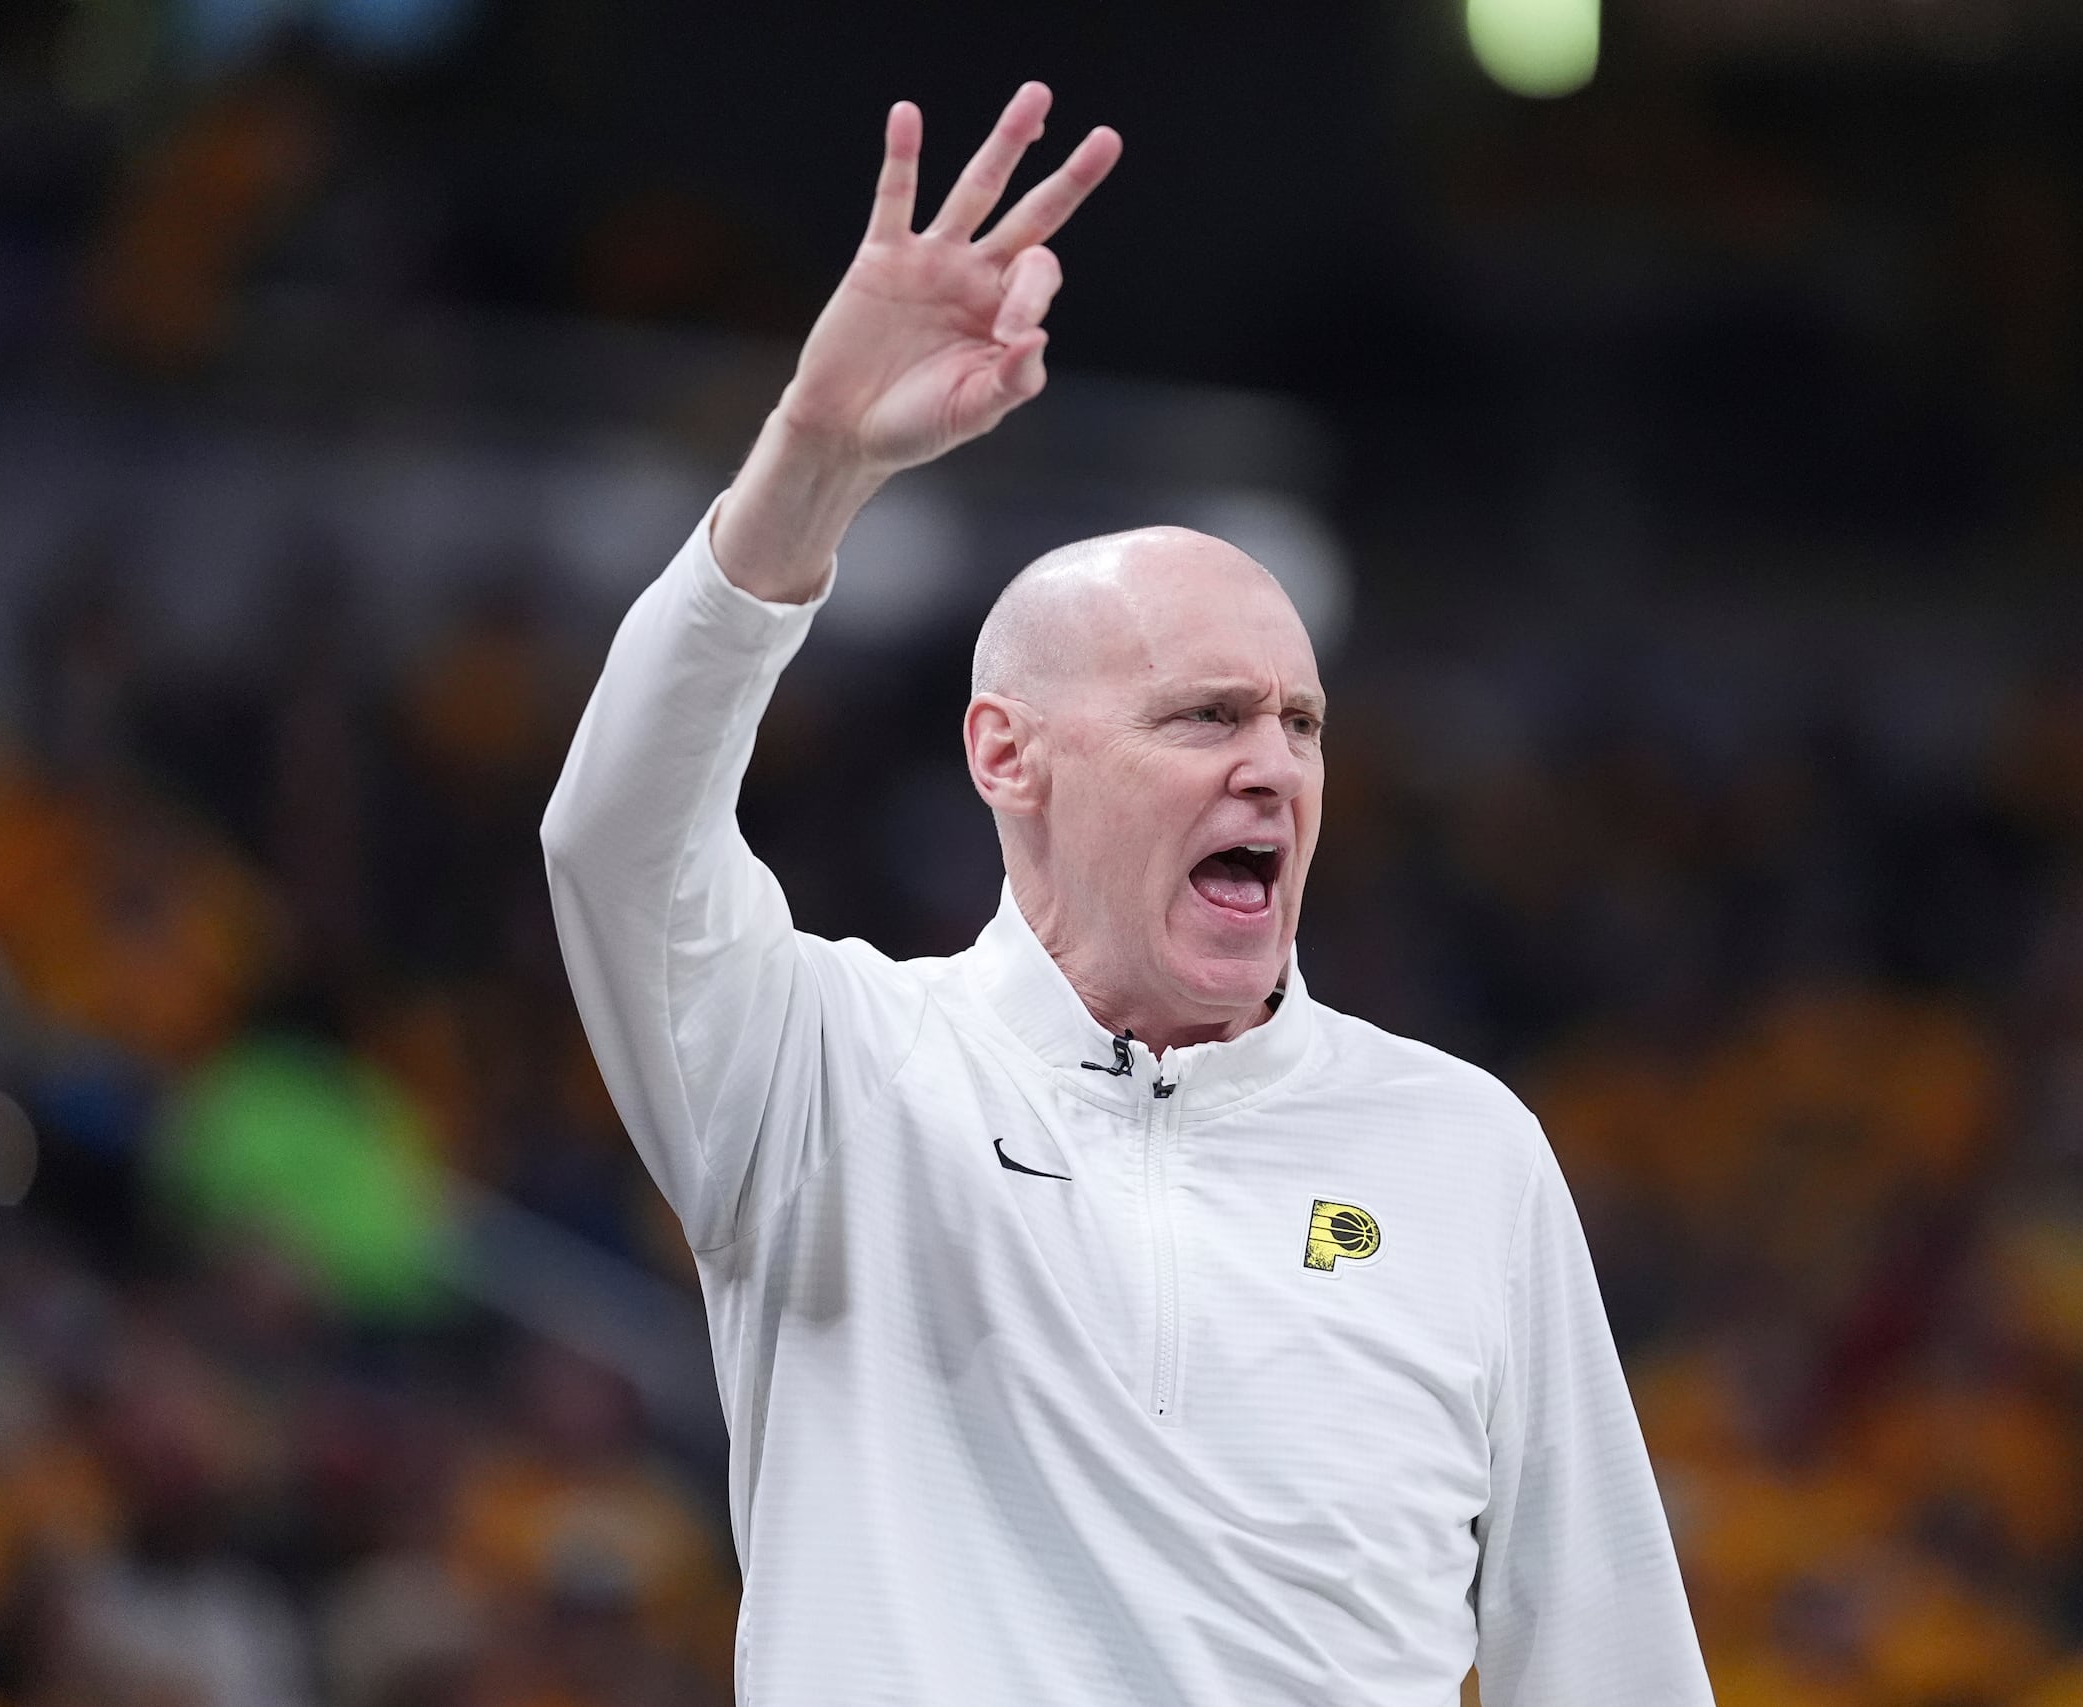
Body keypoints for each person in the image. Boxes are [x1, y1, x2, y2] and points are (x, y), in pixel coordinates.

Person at [541, 81, 1712, 1707]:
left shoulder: (1465, 1153)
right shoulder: (828, 1073)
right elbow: (616, 842)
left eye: (1300, 723)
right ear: (1007, 756)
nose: (1276, 769)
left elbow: (1605, 1666)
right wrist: (808, 464)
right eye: (1204, 717)